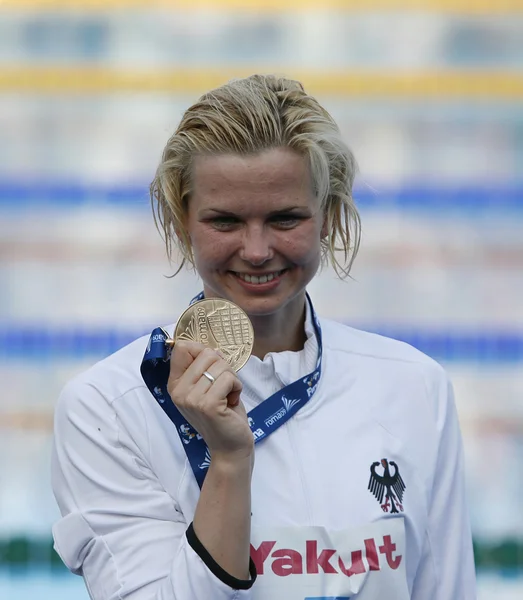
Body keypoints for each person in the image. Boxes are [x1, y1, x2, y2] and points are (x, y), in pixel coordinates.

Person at [51, 74, 476, 600]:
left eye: (285, 218)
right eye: (225, 221)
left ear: (329, 217)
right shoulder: (109, 409)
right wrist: (228, 464)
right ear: (184, 224)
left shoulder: (413, 386)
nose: (256, 250)